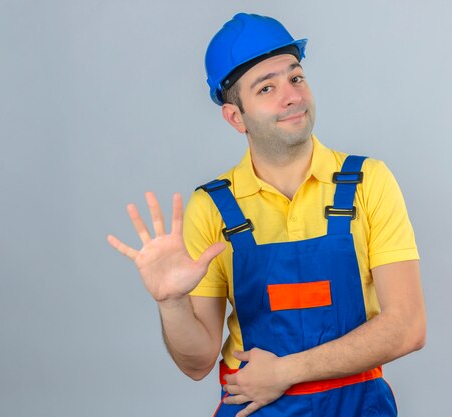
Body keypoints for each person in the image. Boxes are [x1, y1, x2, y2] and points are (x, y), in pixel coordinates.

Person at [107, 13, 426, 417]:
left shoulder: (368, 183)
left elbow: (408, 326)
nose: (291, 96)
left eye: (295, 78)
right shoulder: (212, 208)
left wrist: (286, 371)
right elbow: (197, 362)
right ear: (235, 116)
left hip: (359, 406)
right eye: (266, 88)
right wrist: (171, 302)